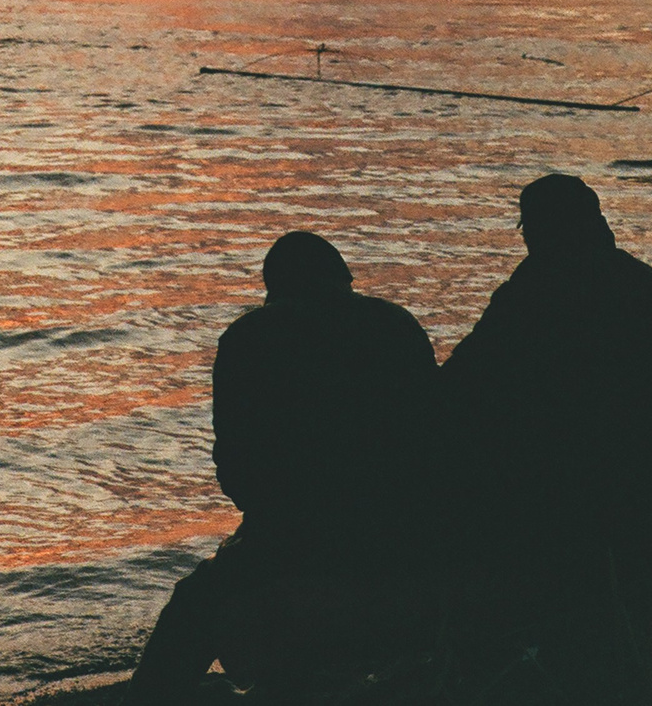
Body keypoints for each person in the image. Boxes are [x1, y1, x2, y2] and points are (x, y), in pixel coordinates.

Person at [128, 232, 438, 699]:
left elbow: (234, 462)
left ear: (274, 288)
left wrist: (269, 517)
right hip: (401, 525)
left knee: (190, 610)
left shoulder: (249, 337)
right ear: (344, 279)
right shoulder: (396, 324)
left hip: (294, 532)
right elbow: (434, 430)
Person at [440, 174, 652, 552]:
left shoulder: (537, 288)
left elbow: (467, 374)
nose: (526, 239)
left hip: (604, 484)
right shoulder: (641, 282)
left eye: (529, 228)